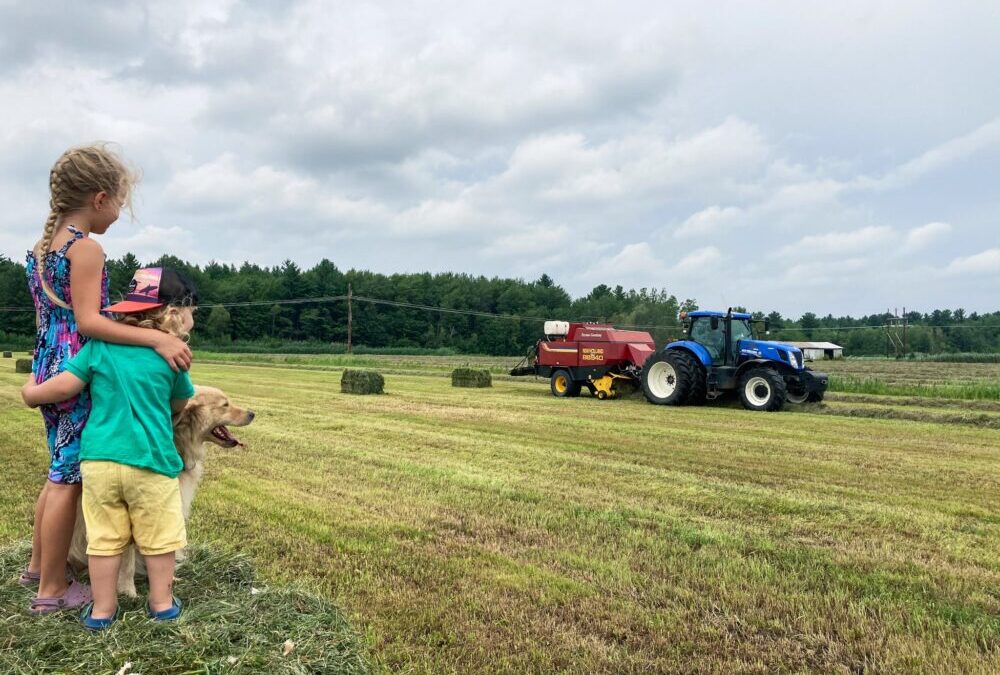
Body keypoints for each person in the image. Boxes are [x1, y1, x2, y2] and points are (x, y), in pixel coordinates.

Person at [22, 145, 192, 615]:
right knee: (68, 478)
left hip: (47, 361)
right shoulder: (87, 247)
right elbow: (89, 323)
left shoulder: (43, 247)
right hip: (77, 364)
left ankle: (39, 565)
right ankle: (52, 589)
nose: (119, 214)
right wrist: (154, 341)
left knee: (58, 469)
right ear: (99, 198)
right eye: (119, 203)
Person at [23, 267, 199, 629]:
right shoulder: (172, 355)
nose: (192, 318)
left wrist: (31, 392)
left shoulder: (98, 347)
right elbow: (179, 404)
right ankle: (162, 603)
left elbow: (63, 387)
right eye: (191, 311)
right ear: (174, 312)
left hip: (100, 463)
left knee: (103, 539)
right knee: (159, 536)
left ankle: (102, 610)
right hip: (151, 463)